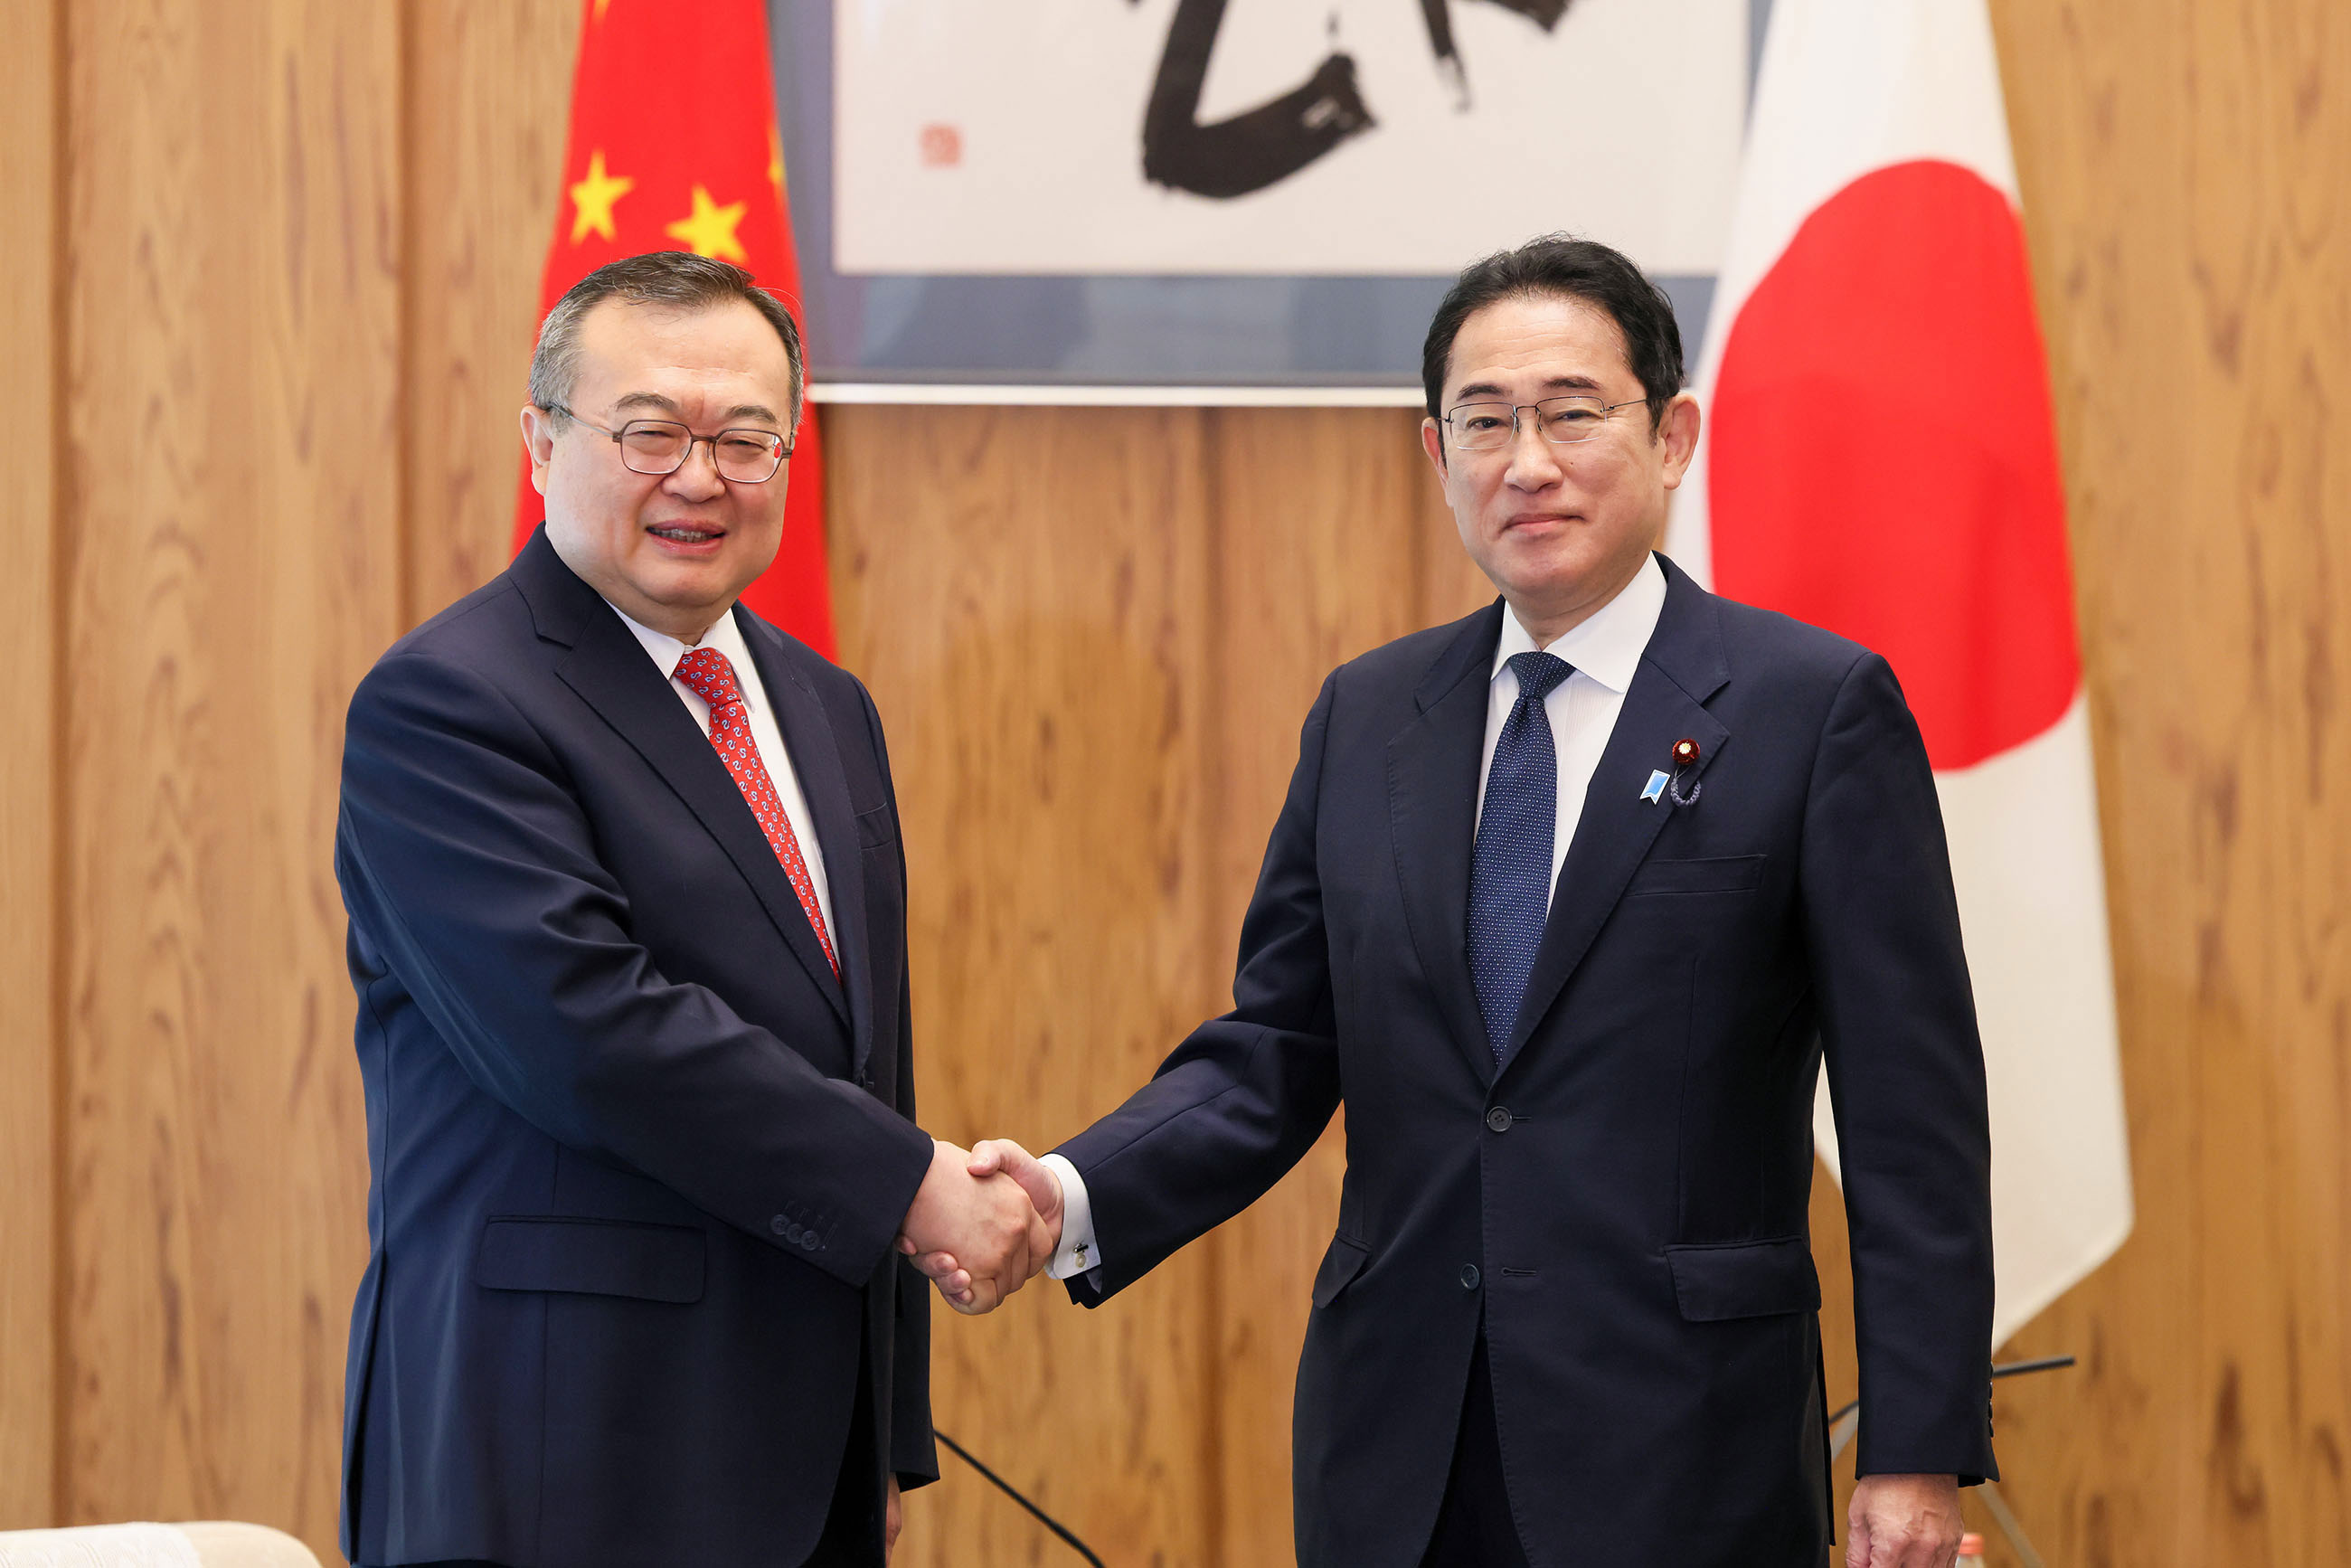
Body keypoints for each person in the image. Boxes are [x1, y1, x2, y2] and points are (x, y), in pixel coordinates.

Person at [915, 236, 1997, 1567]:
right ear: (1438, 457)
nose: (1526, 462)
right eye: (1484, 422)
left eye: (1571, 412)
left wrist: (1914, 1450)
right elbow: (1276, 1049)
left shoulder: (1811, 710)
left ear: (1671, 437)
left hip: (1683, 1445)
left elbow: (1910, 1117)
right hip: (1398, 1447)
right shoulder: (1371, 715)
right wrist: (1065, 1194)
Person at [334, 251, 1048, 1568]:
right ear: (540, 442)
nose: (700, 478)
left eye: (745, 439)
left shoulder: (825, 705)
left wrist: (881, 1433)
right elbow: (586, 1033)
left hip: (799, 1462)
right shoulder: (448, 703)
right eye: (651, 432)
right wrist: (912, 1186)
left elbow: (867, 1059)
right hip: (553, 1448)